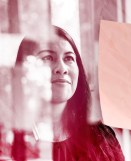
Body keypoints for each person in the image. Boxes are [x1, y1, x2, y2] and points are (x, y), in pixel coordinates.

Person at [15, 25, 125, 161]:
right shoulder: (9, 139)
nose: (62, 68)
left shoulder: (102, 138)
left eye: (69, 58)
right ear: (24, 70)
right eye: (48, 57)